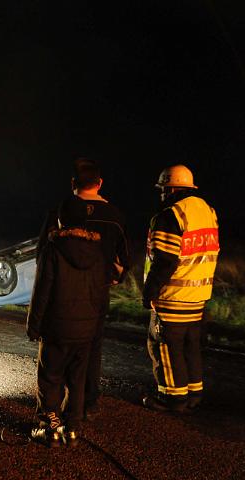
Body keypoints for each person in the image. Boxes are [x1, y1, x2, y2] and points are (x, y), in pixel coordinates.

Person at [37, 158, 129, 416]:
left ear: (73, 184)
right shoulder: (115, 216)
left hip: (61, 296)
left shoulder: (58, 212)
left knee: (55, 353)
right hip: (96, 295)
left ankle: (51, 409)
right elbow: (123, 261)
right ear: (99, 183)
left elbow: (41, 256)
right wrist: (109, 279)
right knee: (90, 349)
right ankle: (86, 403)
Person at [27, 196, 106, 447]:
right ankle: (72, 429)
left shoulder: (53, 249)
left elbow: (42, 291)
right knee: (77, 380)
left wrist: (34, 324)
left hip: (57, 328)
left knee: (51, 377)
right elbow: (101, 292)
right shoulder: (98, 251)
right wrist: (95, 324)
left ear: (61, 219)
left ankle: (50, 427)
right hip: (86, 329)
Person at [142, 164, 219, 412]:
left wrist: (150, 292)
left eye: (163, 189)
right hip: (198, 297)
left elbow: (165, 261)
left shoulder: (170, 215)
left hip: (172, 296)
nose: (161, 194)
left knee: (165, 346)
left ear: (172, 187)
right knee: (190, 347)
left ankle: (172, 398)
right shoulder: (208, 211)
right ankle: (193, 393)